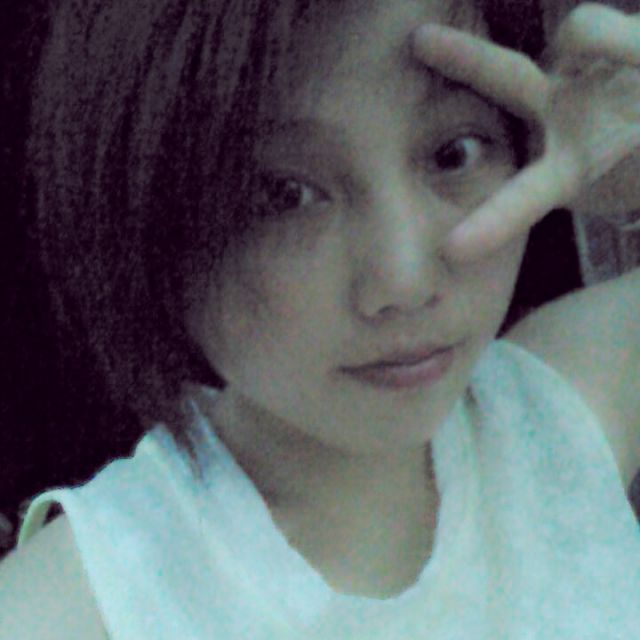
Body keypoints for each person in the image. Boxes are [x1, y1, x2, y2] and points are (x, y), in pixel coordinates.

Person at [1, 0, 639, 637]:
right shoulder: (76, 606)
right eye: (284, 195)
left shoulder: (557, 416)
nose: (405, 281)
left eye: (453, 154)